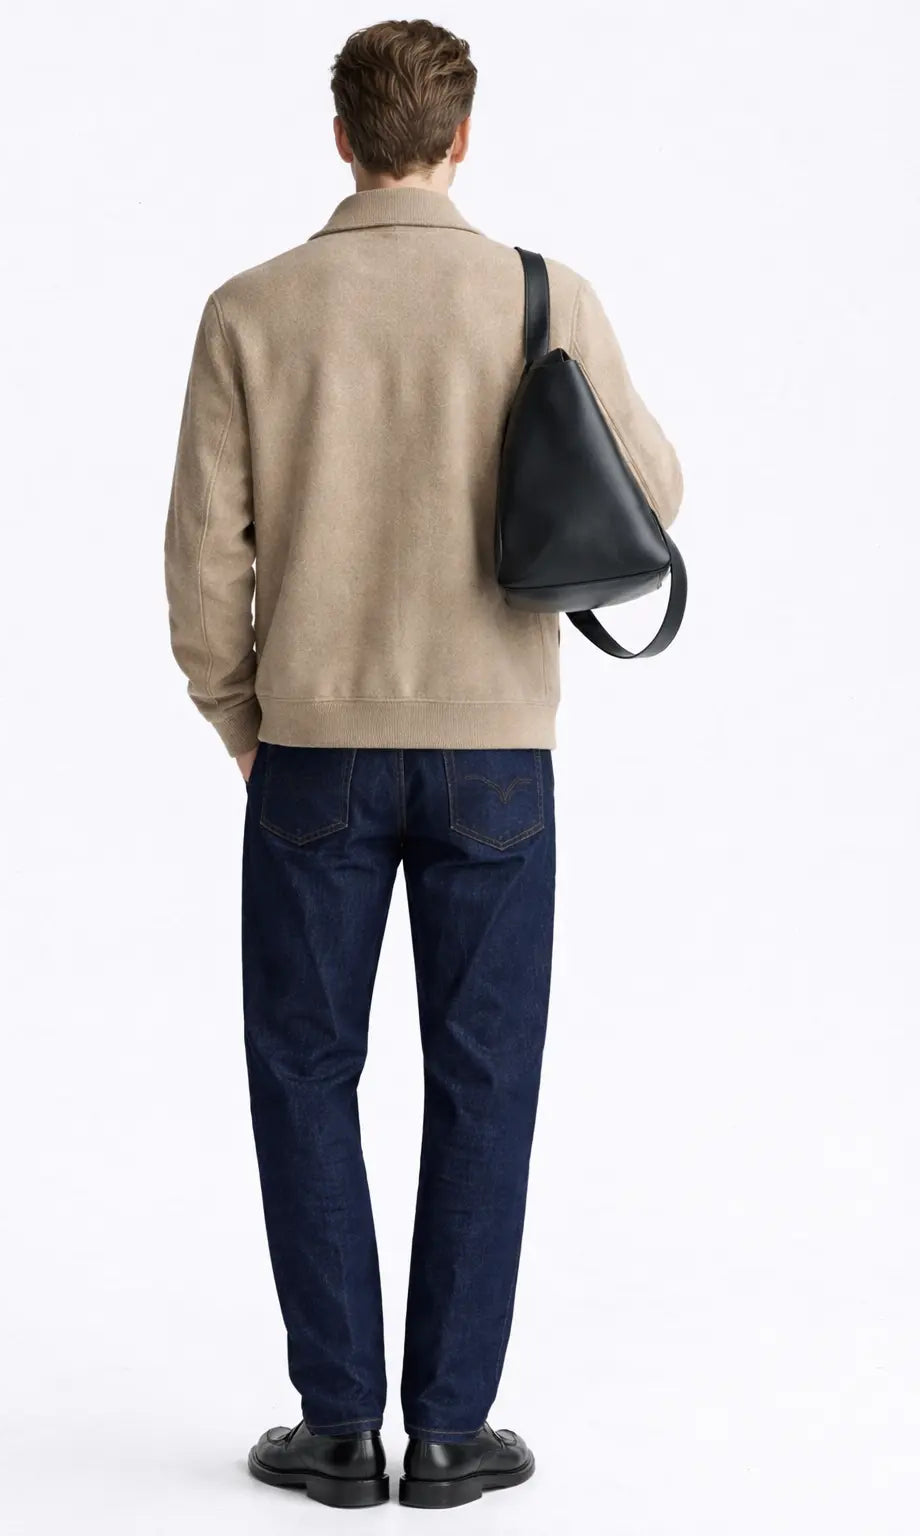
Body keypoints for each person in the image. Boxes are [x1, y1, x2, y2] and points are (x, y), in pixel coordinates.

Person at [164, 16, 683, 1511]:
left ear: (342, 138)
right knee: (485, 1083)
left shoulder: (250, 309)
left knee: (302, 1076)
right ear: (461, 139)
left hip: (311, 753)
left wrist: (242, 719)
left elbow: (203, 562)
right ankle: (451, 1432)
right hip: (497, 754)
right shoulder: (541, 294)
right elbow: (655, 491)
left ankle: (336, 1427)